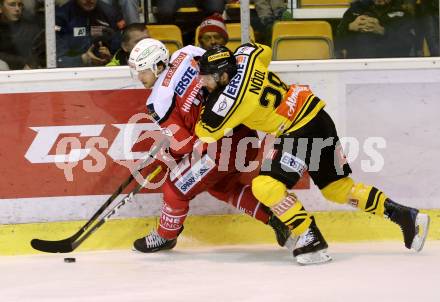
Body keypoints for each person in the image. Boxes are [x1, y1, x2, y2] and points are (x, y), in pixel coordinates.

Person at [195, 44, 430, 259]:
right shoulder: (247, 58)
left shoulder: (230, 100)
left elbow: (205, 133)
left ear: (223, 76)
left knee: (264, 186)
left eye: (206, 77)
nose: (202, 82)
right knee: (337, 189)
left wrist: (207, 101)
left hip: (298, 130)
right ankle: (406, 217)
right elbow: (264, 49)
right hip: (319, 118)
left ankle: (309, 236)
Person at [127, 39, 329, 264]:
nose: (139, 77)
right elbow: (225, 72)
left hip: (216, 149)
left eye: (142, 71)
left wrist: (165, 155)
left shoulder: (157, 102)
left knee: (174, 187)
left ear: (156, 66)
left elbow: (183, 146)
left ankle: (165, 236)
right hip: (244, 134)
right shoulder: (188, 53)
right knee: (221, 186)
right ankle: (275, 220)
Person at [55, 0, 126, 67]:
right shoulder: (61, 16)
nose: (89, 0)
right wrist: (82, 59)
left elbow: (122, 51)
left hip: (105, 69)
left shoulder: (110, 13)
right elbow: (57, 60)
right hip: (73, 71)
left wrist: (111, 57)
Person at [336, 0, 415, 58]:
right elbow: (337, 39)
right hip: (357, 65)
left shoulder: (403, 12)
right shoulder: (356, 9)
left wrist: (382, 30)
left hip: (390, 64)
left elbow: (407, 43)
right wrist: (350, 27)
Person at [0, 0, 45, 69]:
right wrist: (23, 63)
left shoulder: (31, 27)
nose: (17, 9)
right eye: (12, 5)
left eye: (20, 5)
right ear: (1, 8)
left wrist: (33, 63)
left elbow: (40, 52)